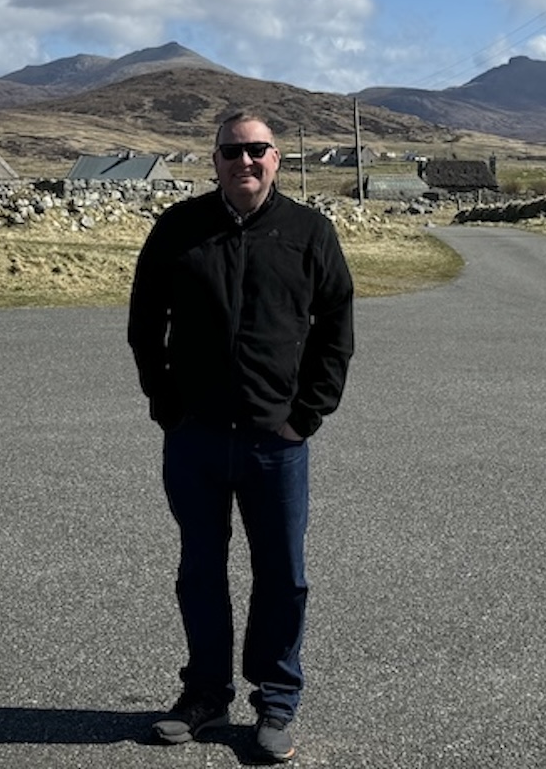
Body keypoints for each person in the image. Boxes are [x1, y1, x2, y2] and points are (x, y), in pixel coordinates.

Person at [128, 113, 354, 762]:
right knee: (201, 571)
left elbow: (336, 328)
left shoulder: (310, 233)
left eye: (257, 150)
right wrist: (166, 404)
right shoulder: (178, 230)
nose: (245, 161)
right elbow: (145, 322)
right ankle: (204, 693)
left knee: (283, 575)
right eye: (233, 151)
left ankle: (277, 702)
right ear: (216, 158)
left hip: (275, 442)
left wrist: (306, 414)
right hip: (195, 438)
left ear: (276, 158)